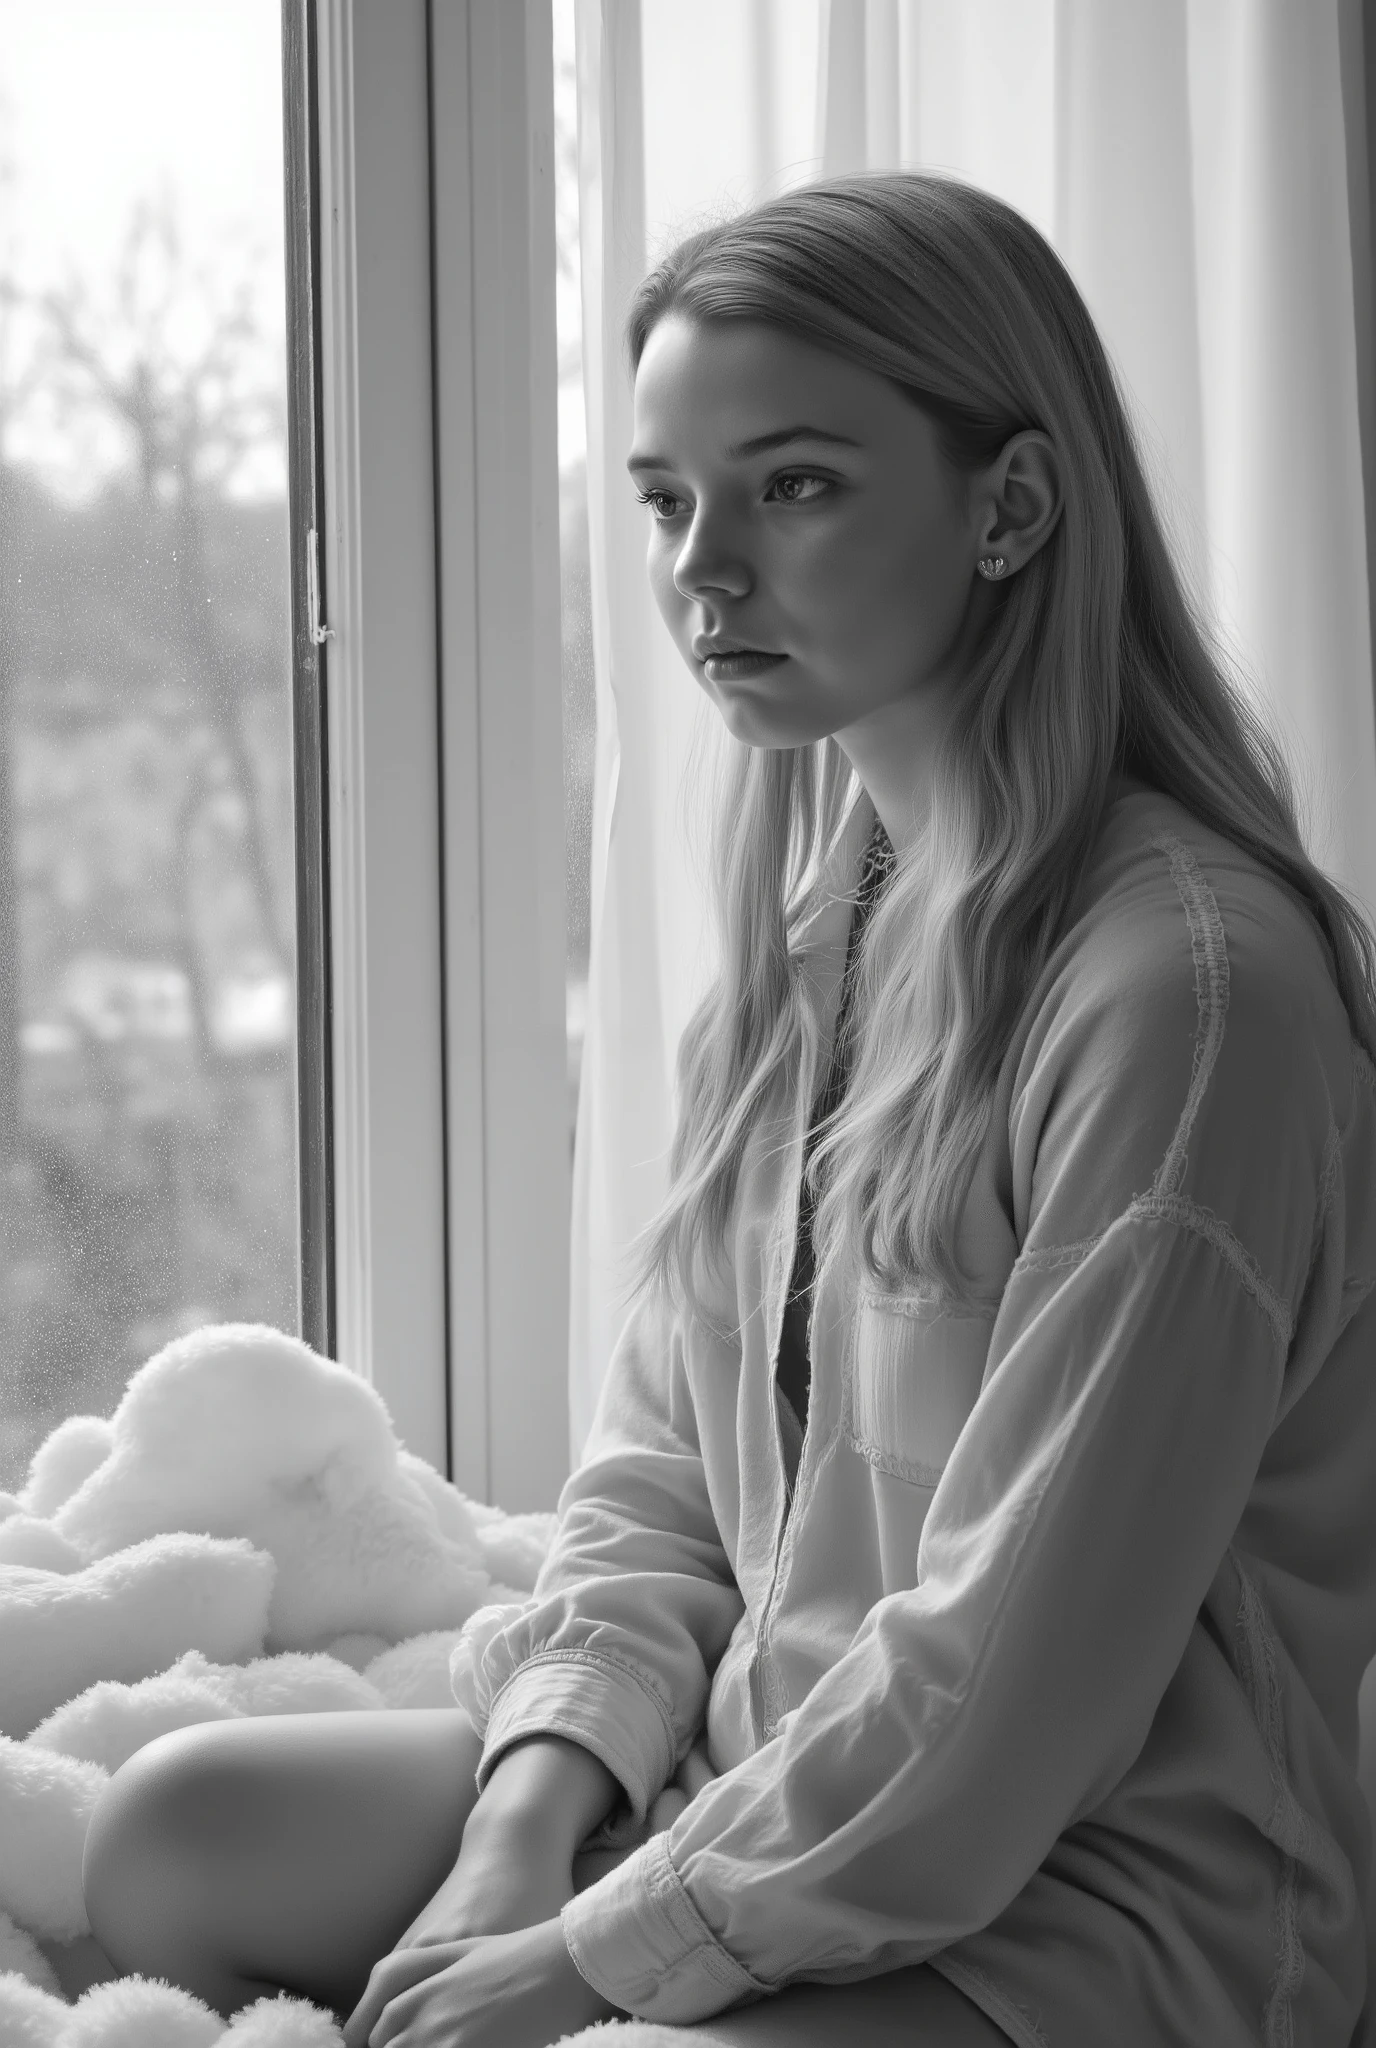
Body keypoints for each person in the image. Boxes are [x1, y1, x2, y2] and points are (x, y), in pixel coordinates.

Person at [81, 169, 1376, 2048]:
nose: (702, 570)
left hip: (1084, 1893)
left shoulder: (1188, 994)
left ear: (1010, 505)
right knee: (167, 1842)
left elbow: (1015, 1681)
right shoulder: (820, 922)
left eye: (794, 486)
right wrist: (521, 1837)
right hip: (751, 1771)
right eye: (670, 501)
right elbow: (661, 1482)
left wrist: (597, 1970)